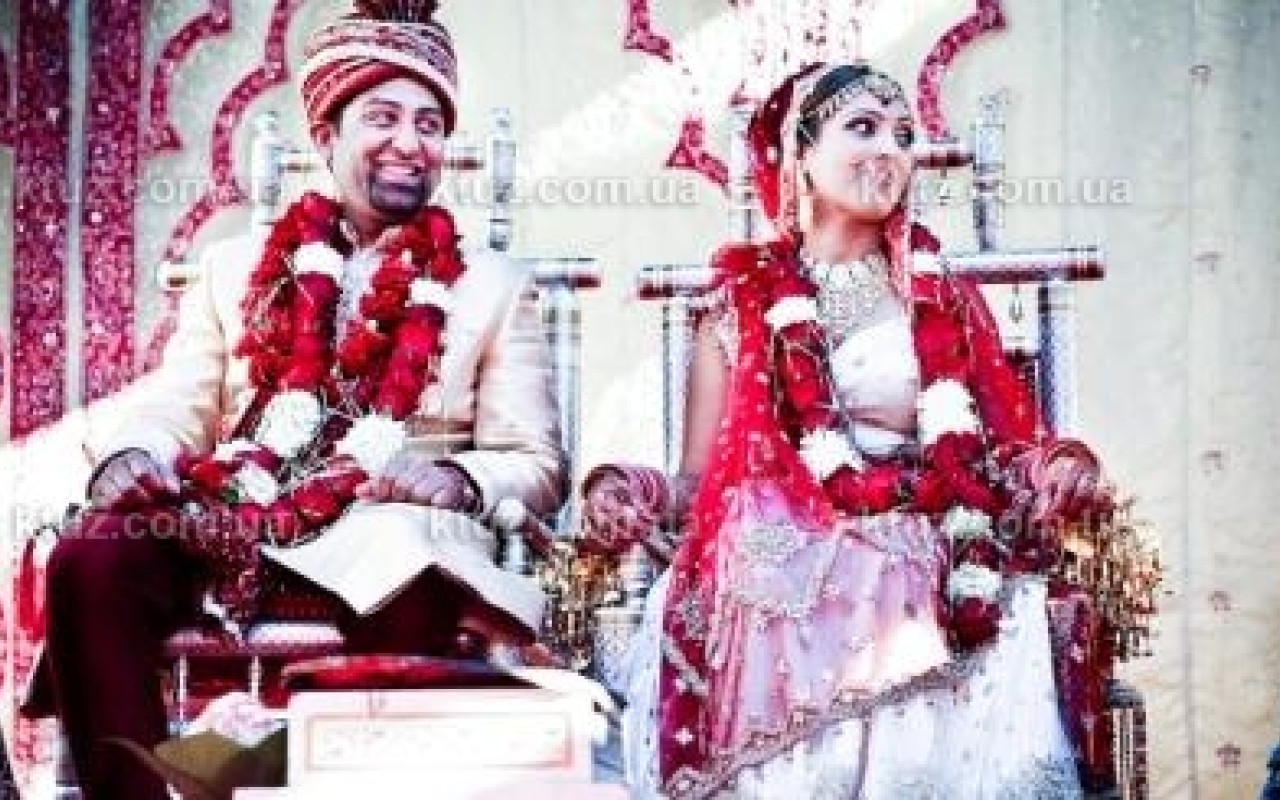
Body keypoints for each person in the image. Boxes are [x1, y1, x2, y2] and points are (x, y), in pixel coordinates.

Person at [36, 2, 565, 797]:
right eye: (382, 117)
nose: (409, 142)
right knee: (91, 558)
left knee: (407, 564)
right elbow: (180, 403)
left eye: (428, 124)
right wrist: (133, 454)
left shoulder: (492, 285)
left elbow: (536, 462)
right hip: (235, 515)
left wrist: (459, 479)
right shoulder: (233, 266)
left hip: (389, 527)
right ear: (326, 136)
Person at [581, 62, 1113, 798]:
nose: (889, 151)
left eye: (903, 136)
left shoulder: (942, 295)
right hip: (776, 542)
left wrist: (1061, 467)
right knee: (754, 547)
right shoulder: (736, 307)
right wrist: (629, 489)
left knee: (894, 564)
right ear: (799, 155)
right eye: (862, 128)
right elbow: (699, 482)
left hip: (928, 529)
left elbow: (1006, 447)